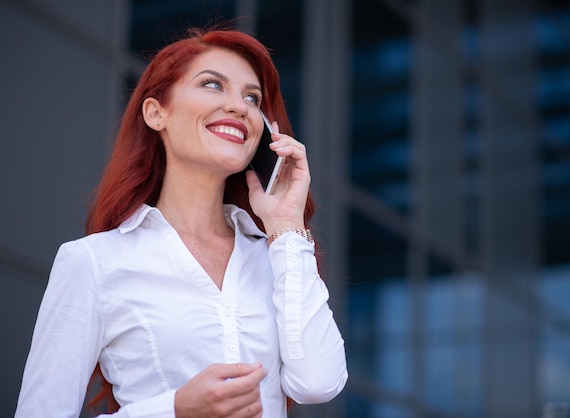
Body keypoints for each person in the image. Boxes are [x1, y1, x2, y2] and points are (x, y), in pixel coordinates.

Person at [15, 25, 348, 418]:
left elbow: (318, 384)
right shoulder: (93, 262)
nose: (240, 106)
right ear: (157, 113)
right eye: (213, 85)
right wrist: (174, 409)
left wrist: (286, 223)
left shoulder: (276, 254)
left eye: (252, 97)